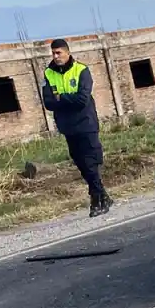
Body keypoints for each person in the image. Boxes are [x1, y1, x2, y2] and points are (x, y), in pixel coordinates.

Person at [42, 38, 112, 217]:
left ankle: (96, 199)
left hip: (86, 123)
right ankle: (103, 195)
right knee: (80, 163)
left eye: (59, 53)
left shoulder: (81, 70)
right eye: (53, 53)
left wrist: (61, 99)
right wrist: (65, 99)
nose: (56, 56)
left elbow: (82, 99)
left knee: (91, 161)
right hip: (68, 126)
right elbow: (48, 102)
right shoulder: (49, 74)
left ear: (67, 52)